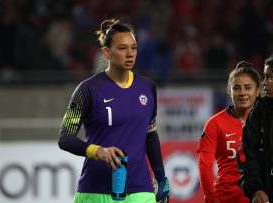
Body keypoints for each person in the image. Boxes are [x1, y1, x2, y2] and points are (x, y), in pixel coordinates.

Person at [58, 18, 170, 203]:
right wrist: (98, 151)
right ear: (107, 52)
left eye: (133, 48)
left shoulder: (148, 87)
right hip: (96, 191)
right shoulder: (87, 90)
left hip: (141, 191)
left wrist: (161, 177)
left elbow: (150, 135)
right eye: (122, 48)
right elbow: (65, 138)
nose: (130, 54)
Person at [197, 61, 261, 203]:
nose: (242, 93)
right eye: (236, 88)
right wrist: (210, 197)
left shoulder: (266, 122)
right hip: (225, 198)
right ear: (229, 90)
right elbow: (204, 165)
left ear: (257, 90)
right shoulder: (215, 123)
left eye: (248, 87)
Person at [237, 55, 273, 203]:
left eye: (269, 77)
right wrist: (256, 189)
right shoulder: (258, 114)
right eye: (264, 77)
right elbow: (247, 154)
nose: (264, 83)